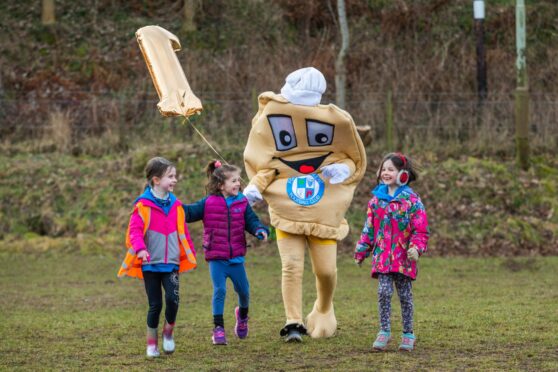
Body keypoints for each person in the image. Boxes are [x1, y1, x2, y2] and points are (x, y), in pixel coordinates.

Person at [117, 157, 197, 358]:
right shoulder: (142, 206)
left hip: (171, 264)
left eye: (175, 176)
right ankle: (151, 343)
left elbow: (184, 233)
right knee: (156, 305)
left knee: (173, 299)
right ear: (156, 180)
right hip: (150, 265)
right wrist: (141, 249)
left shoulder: (177, 206)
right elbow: (134, 231)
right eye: (170, 176)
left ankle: (168, 333)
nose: (175, 180)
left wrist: (189, 256)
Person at [183, 160, 269, 345]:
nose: (239, 183)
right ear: (221, 185)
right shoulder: (208, 203)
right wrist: (173, 205)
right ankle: (218, 329)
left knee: (244, 292)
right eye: (234, 181)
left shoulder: (242, 202)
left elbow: (252, 221)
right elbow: (188, 213)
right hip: (217, 257)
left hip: (236, 258)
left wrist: (260, 230)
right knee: (219, 290)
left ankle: (242, 316)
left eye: (238, 180)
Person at [354, 152, 429, 352]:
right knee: (383, 292)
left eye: (391, 169)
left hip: (404, 258)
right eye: (383, 169)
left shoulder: (412, 201)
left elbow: (420, 229)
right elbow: (369, 228)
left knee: (404, 295)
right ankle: (384, 331)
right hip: (382, 258)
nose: (386, 172)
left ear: (402, 174)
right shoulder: (376, 201)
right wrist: (362, 250)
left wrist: (416, 248)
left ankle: (408, 333)